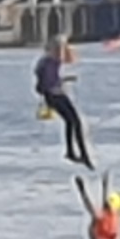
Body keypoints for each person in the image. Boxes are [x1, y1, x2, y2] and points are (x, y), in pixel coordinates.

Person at [34, 36, 91, 167]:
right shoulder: (49, 62)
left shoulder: (49, 61)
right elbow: (48, 82)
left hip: (56, 95)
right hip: (55, 96)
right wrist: (60, 82)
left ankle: (73, 152)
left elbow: (48, 79)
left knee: (72, 122)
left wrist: (65, 79)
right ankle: (81, 154)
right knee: (75, 121)